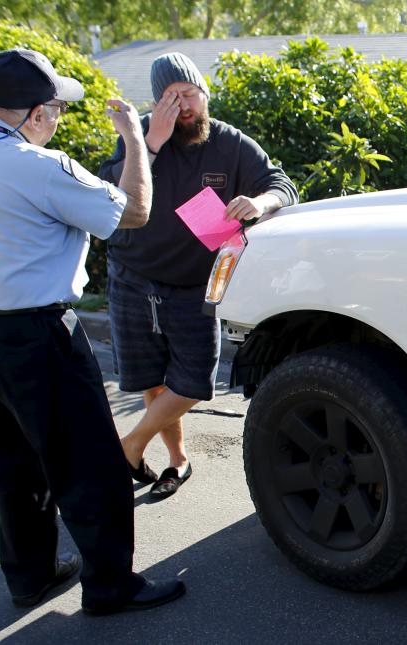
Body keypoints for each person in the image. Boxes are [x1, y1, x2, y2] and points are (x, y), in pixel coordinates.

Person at [0, 48, 185, 615]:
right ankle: (110, 586)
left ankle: (30, 576)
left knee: (11, 462)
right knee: (89, 463)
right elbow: (132, 212)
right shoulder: (36, 164)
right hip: (33, 333)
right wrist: (135, 140)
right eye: (55, 108)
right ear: (33, 114)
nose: (57, 119)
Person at [97, 52, 298, 500]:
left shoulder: (228, 143)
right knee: (152, 379)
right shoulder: (143, 137)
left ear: (204, 93)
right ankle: (178, 461)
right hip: (134, 276)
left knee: (191, 381)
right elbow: (109, 191)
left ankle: (129, 445)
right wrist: (149, 143)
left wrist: (259, 203)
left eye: (188, 95)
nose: (182, 106)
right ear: (156, 102)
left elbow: (282, 184)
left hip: (194, 282)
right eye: (170, 99)